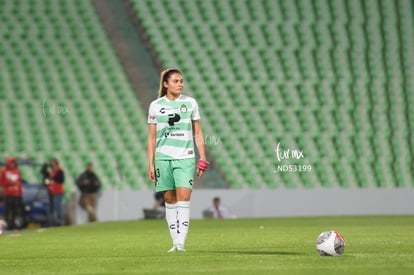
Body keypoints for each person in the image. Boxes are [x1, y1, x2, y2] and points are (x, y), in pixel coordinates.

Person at [147, 68, 209, 252]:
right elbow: (151, 138)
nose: (180, 84)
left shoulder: (190, 103)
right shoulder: (156, 105)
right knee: (170, 199)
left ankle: (181, 242)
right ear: (166, 84)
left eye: (181, 81)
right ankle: (175, 242)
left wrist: (202, 158)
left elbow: (198, 132)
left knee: (184, 198)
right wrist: (150, 163)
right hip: (163, 158)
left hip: (185, 157)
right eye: (176, 81)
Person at [0, 157, 24, 230]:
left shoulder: (17, 171)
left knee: (15, 211)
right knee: (7, 210)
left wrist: (20, 191)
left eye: (13, 162)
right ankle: (7, 225)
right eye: (11, 162)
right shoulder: (4, 171)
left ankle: (14, 225)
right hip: (7, 194)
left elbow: (19, 183)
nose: (12, 164)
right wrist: (9, 183)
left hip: (16, 194)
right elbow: (1, 182)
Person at [46, 158, 65, 226]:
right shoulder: (51, 171)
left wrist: (53, 177)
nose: (51, 163)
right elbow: (47, 180)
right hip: (51, 191)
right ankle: (50, 222)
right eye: (51, 162)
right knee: (51, 207)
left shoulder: (60, 171)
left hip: (58, 191)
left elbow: (61, 180)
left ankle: (60, 220)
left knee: (58, 206)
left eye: (52, 162)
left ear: (56, 163)